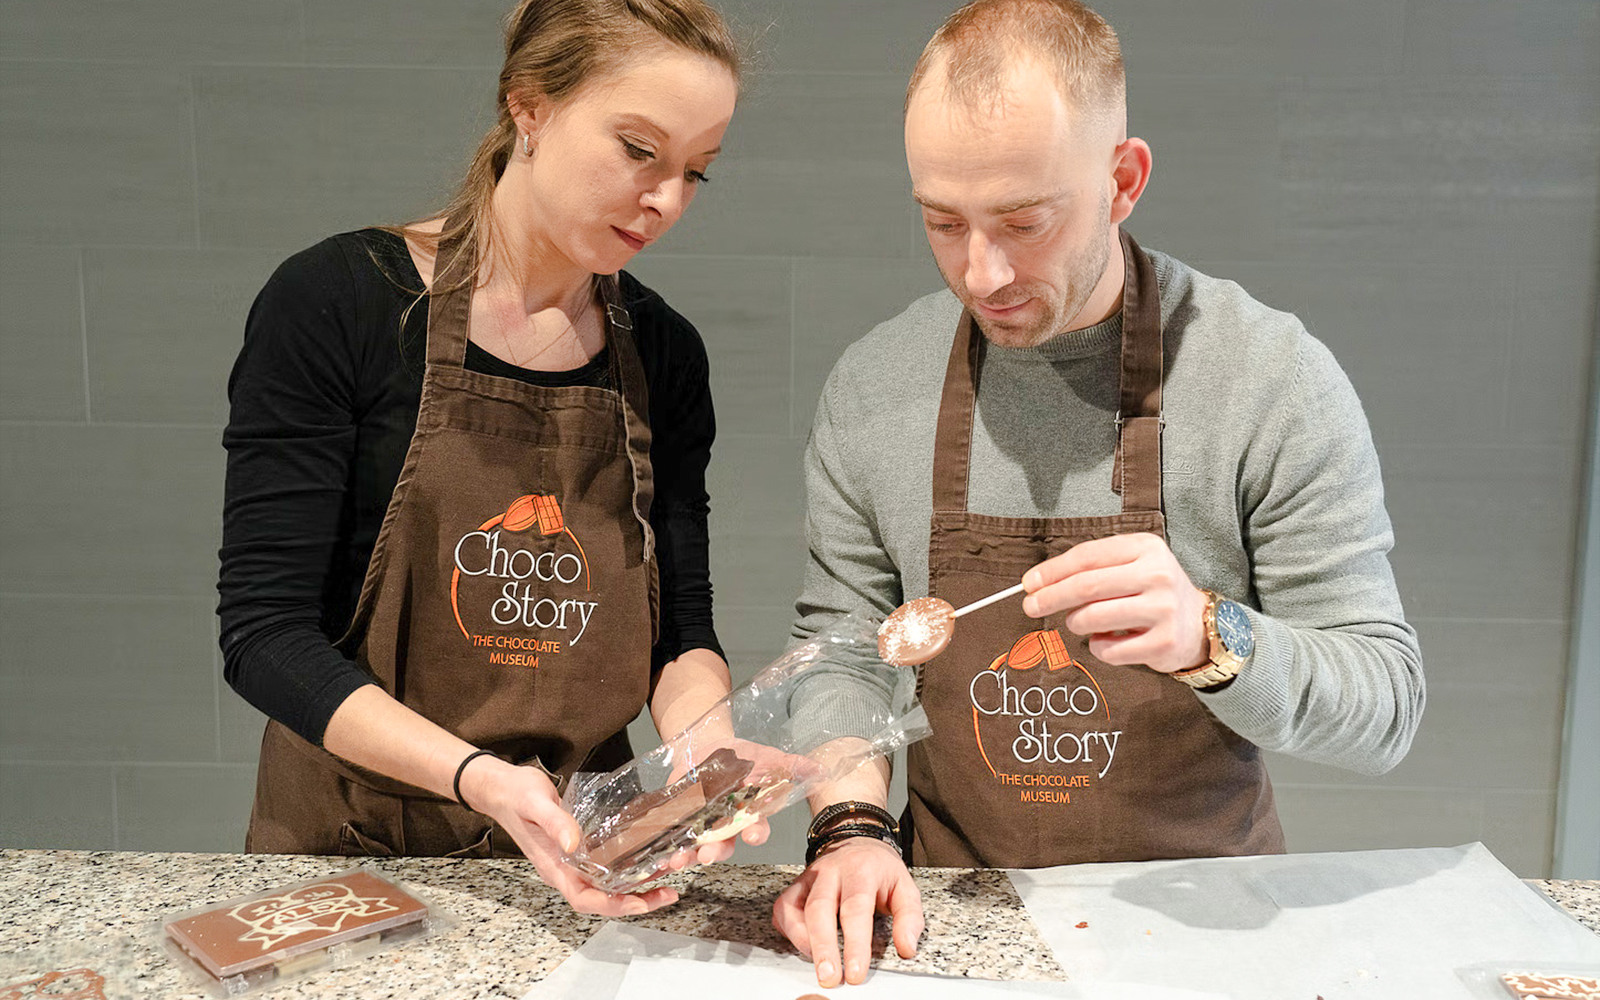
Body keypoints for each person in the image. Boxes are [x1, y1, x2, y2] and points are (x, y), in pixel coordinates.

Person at [770, 0, 1425, 986]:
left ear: (1123, 181)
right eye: (942, 223)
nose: (980, 274)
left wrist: (1215, 636)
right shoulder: (875, 388)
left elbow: (1383, 705)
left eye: (1024, 223)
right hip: (953, 928)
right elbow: (848, 649)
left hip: (1208, 936)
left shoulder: (1268, 380)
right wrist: (850, 826)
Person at [217, 0, 751, 917]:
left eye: (695, 172)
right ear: (530, 107)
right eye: (638, 149)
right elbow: (265, 636)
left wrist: (707, 753)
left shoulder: (664, 354)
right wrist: (483, 781)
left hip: (587, 855)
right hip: (352, 853)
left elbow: (680, 633)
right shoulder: (340, 303)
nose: (665, 199)